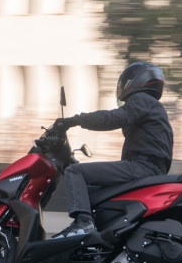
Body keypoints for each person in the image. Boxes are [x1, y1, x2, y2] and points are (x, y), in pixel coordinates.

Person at [51, 62, 173, 239]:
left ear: (133, 81)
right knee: (93, 189)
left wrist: (74, 120)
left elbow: (112, 118)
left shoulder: (143, 100)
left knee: (75, 171)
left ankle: (84, 224)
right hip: (148, 167)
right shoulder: (153, 106)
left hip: (141, 167)